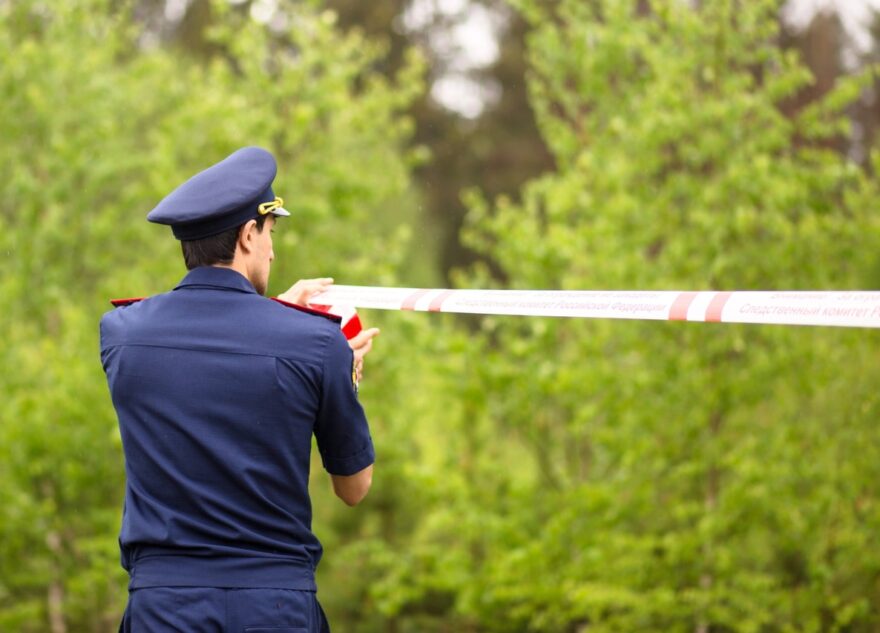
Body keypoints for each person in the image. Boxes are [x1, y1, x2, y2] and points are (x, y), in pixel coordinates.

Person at [100, 146, 379, 632]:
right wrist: (342, 371)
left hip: (163, 609)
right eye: (271, 232)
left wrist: (278, 316)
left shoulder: (122, 333)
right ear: (249, 235)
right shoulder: (317, 344)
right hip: (275, 609)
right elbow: (354, 489)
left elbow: (214, 346)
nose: (273, 248)